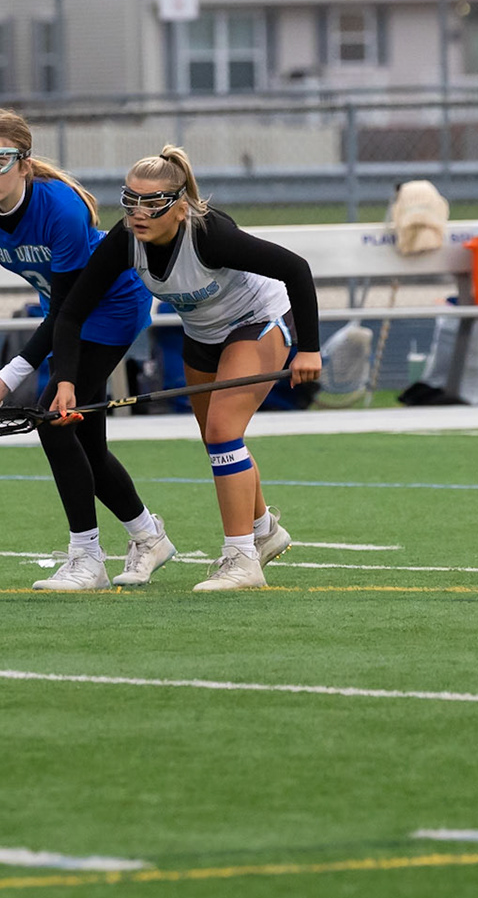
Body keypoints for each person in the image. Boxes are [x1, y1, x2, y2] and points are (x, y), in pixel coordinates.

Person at [0, 108, 175, 591]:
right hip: (65, 316)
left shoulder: (61, 209)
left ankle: (87, 558)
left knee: (54, 422)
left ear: (24, 165)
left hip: (113, 307)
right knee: (84, 442)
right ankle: (148, 535)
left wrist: (8, 379)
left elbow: (67, 312)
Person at [50, 145, 321, 592]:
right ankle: (264, 530)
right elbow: (72, 312)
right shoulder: (126, 239)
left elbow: (296, 268)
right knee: (218, 438)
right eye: (130, 200)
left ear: (180, 207)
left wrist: (309, 350)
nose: (139, 213)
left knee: (222, 432)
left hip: (258, 321)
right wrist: (65, 381)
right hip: (202, 335)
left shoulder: (209, 234)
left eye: (153, 202)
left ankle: (241, 558)